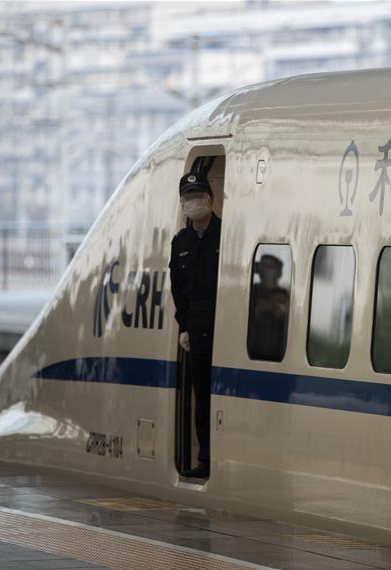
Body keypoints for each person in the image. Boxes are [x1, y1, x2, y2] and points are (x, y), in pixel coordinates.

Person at [169, 157, 220, 479]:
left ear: (211, 200)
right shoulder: (181, 243)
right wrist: (184, 326)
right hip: (197, 327)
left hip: (222, 322)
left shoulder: (225, 235)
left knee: (220, 393)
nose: (193, 203)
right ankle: (206, 457)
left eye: (198, 196)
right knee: (201, 395)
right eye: (187, 198)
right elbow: (178, 289)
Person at [247, 254, 290, 361]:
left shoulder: (284, 294)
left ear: (278, 272)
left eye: (270, 266)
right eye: (263, 266)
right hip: (253, 349)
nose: (265, 270)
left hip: (278, 352)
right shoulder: (251, 290)